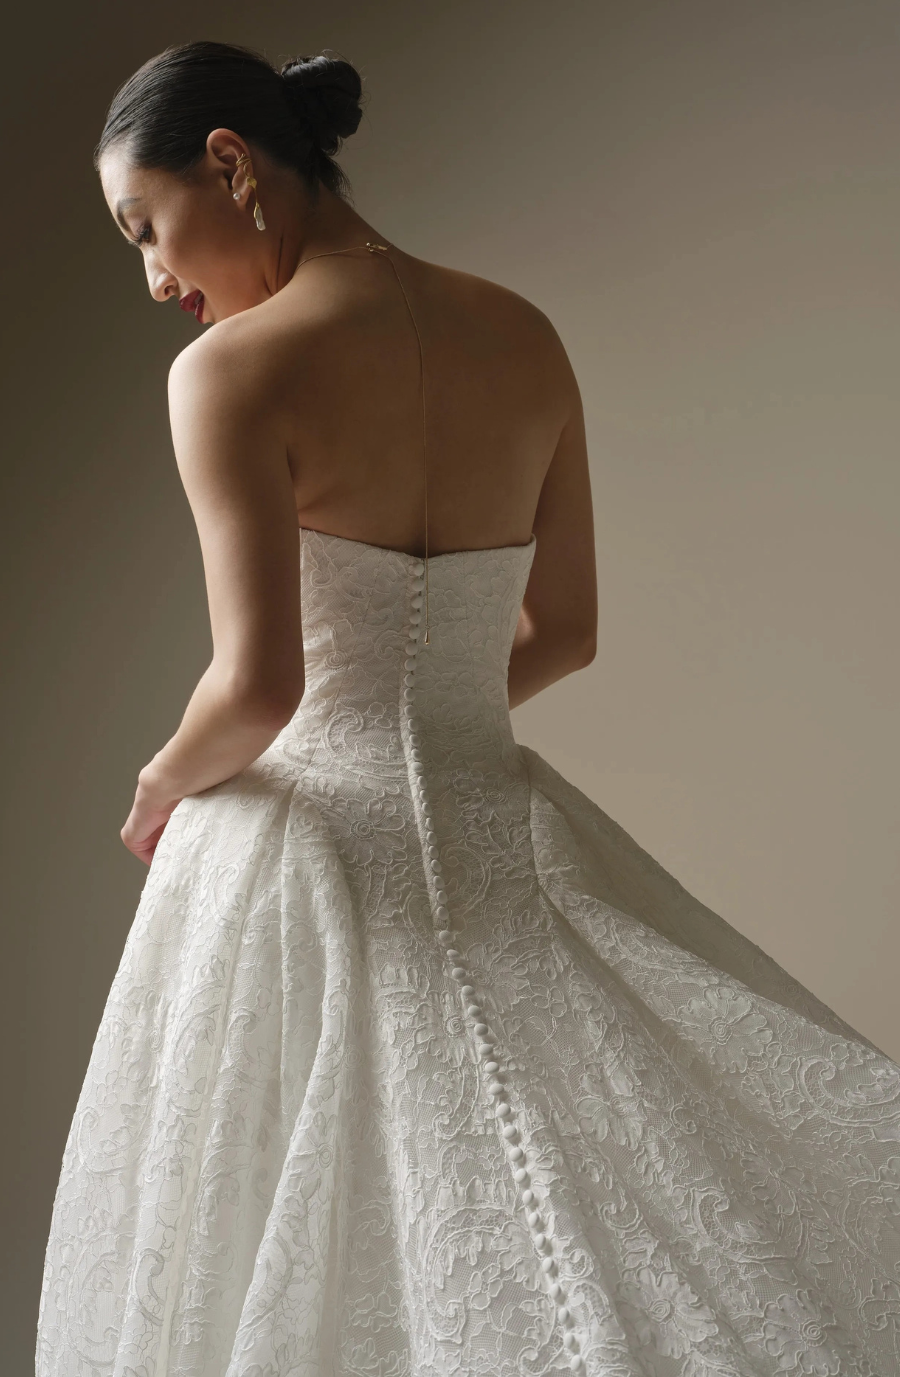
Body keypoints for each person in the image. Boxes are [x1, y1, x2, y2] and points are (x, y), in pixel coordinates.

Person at [37, 39, 900, 1377]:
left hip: (307, 858)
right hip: (501, 828)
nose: (154, 277)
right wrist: (427, 708)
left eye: (145, 228)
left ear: (230, 165)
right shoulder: (523, 334)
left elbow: (258, 688)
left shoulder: (227, 375)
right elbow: (568, 631)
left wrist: (161, 781)